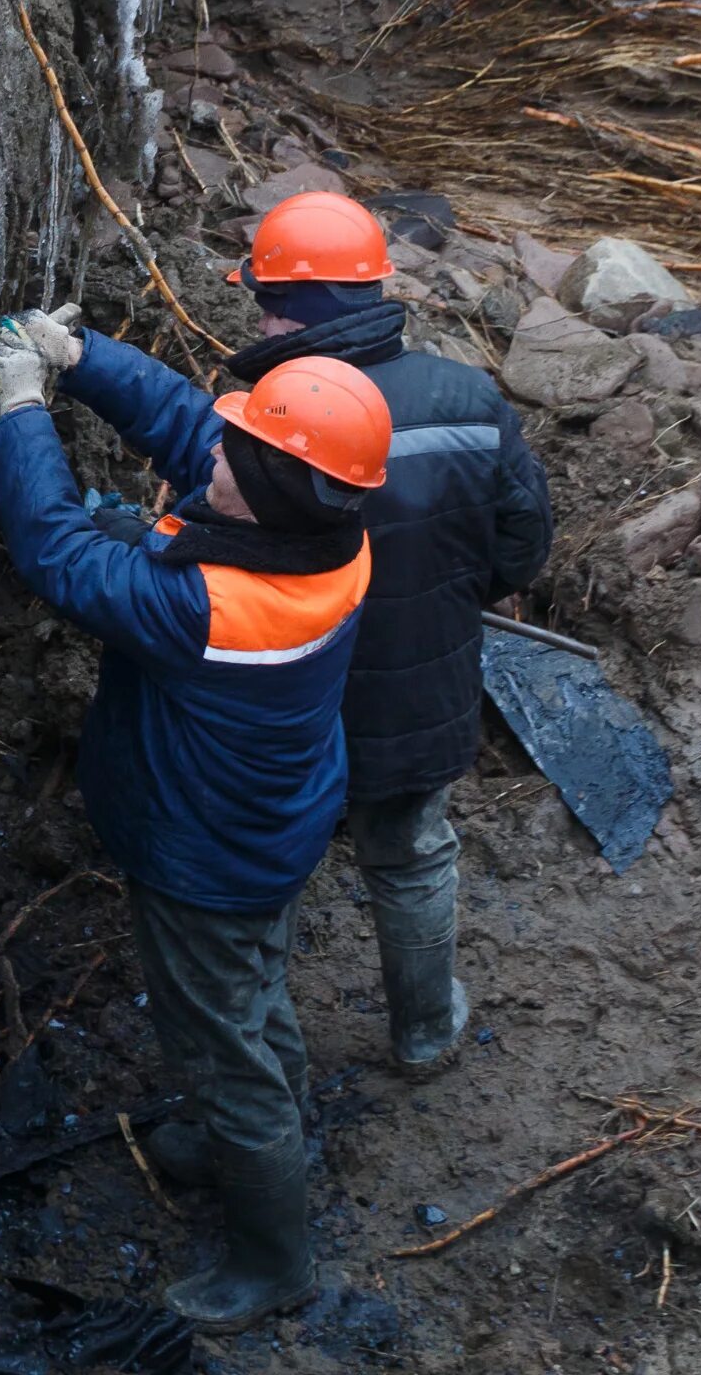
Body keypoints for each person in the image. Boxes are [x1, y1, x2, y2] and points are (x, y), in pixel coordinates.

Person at [0, 306, 390, 1332]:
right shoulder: (323, 531)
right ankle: (257, 1131)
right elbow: (188, 423)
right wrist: (83, 358)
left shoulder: (217, 607)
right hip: (271, 821)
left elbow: (59, 551)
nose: (214, 456)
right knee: (253, 997)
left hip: (205, 853)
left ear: (277, 488)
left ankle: (272, 1258)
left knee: (221, 1038)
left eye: (238, 456)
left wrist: (23, 404)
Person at [224, 191, 554, 1067]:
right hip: (424, 690)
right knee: (409, 858)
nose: (259, 311)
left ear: (302, 306)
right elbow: (524, 545)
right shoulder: (469, 397)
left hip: (296, 698)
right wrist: (454, 594)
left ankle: (263, 1071)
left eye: (268, 295)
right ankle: (426, 1031)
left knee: (272, 876)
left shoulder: (268, 418)